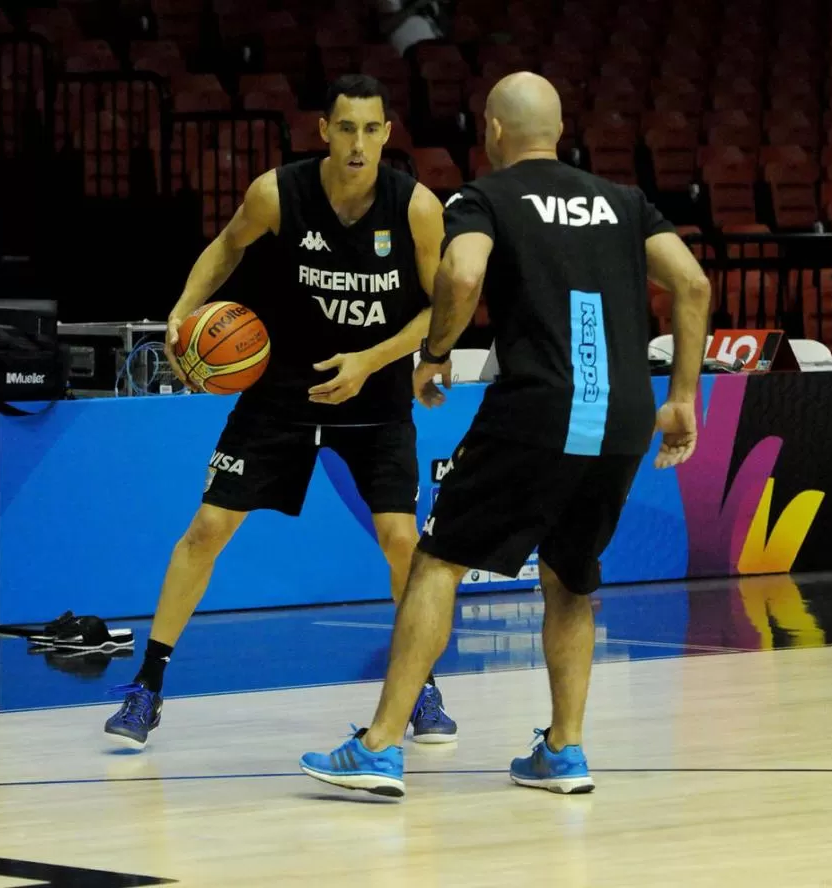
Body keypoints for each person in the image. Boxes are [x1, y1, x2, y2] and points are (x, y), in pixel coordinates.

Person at [300, 71, 711, 798]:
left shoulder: (485, 196)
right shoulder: (623, 201)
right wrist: (680, 397)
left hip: (538, 409)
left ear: (492, 130)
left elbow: (460, 273)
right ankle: (564, 750)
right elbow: (694, 285)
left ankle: (381, 746)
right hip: (618, 416)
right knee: (570, 579)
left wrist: (432, 356)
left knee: (437, 562)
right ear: (559, 130)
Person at [102, 74, 458, 749]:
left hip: (373, 395)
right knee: (207, 527)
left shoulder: (415, 207)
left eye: (370, 129)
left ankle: (423, 687)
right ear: (323, 130)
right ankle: (147, 686)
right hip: (280, 391)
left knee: (403, 542)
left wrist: (370, 361)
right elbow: (229, 245)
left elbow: (442, 309)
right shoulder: (277, 193)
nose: (358, 143)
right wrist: (182, 309)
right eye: (345, 128)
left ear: (387, 134)